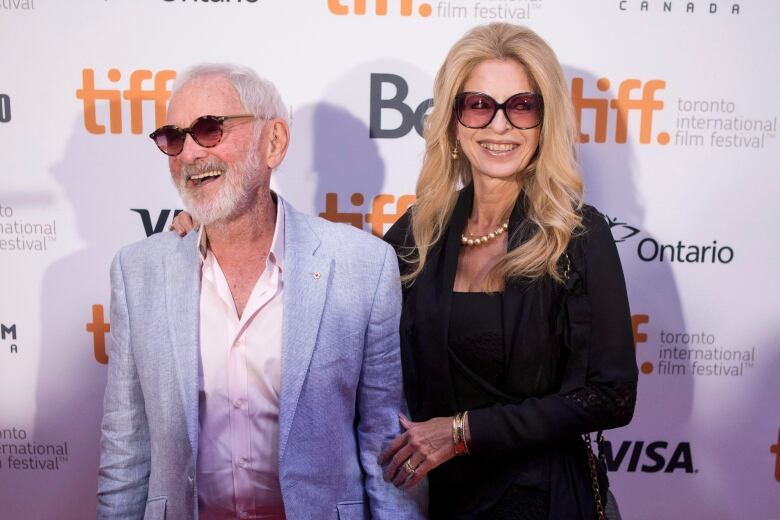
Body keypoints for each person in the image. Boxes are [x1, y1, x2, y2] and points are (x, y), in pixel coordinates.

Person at [97, 63, 425, 520]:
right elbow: (125, 449)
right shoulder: (138, 271)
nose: (189, 153)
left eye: (209, 130)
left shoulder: (361, 267)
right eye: (173, 138)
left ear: (273, 142)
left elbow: (385, 443)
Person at [377, 23, 638, 519]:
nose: (500, 126)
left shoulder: (577, 235)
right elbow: (341, 290)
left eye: (521, 106)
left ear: (544, 123)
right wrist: (213, 232)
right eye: (478, 105)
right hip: (441, 501)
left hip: (541, 501)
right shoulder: (420, 230)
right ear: (453, 122)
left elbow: (611, 395)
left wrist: (462, 432)